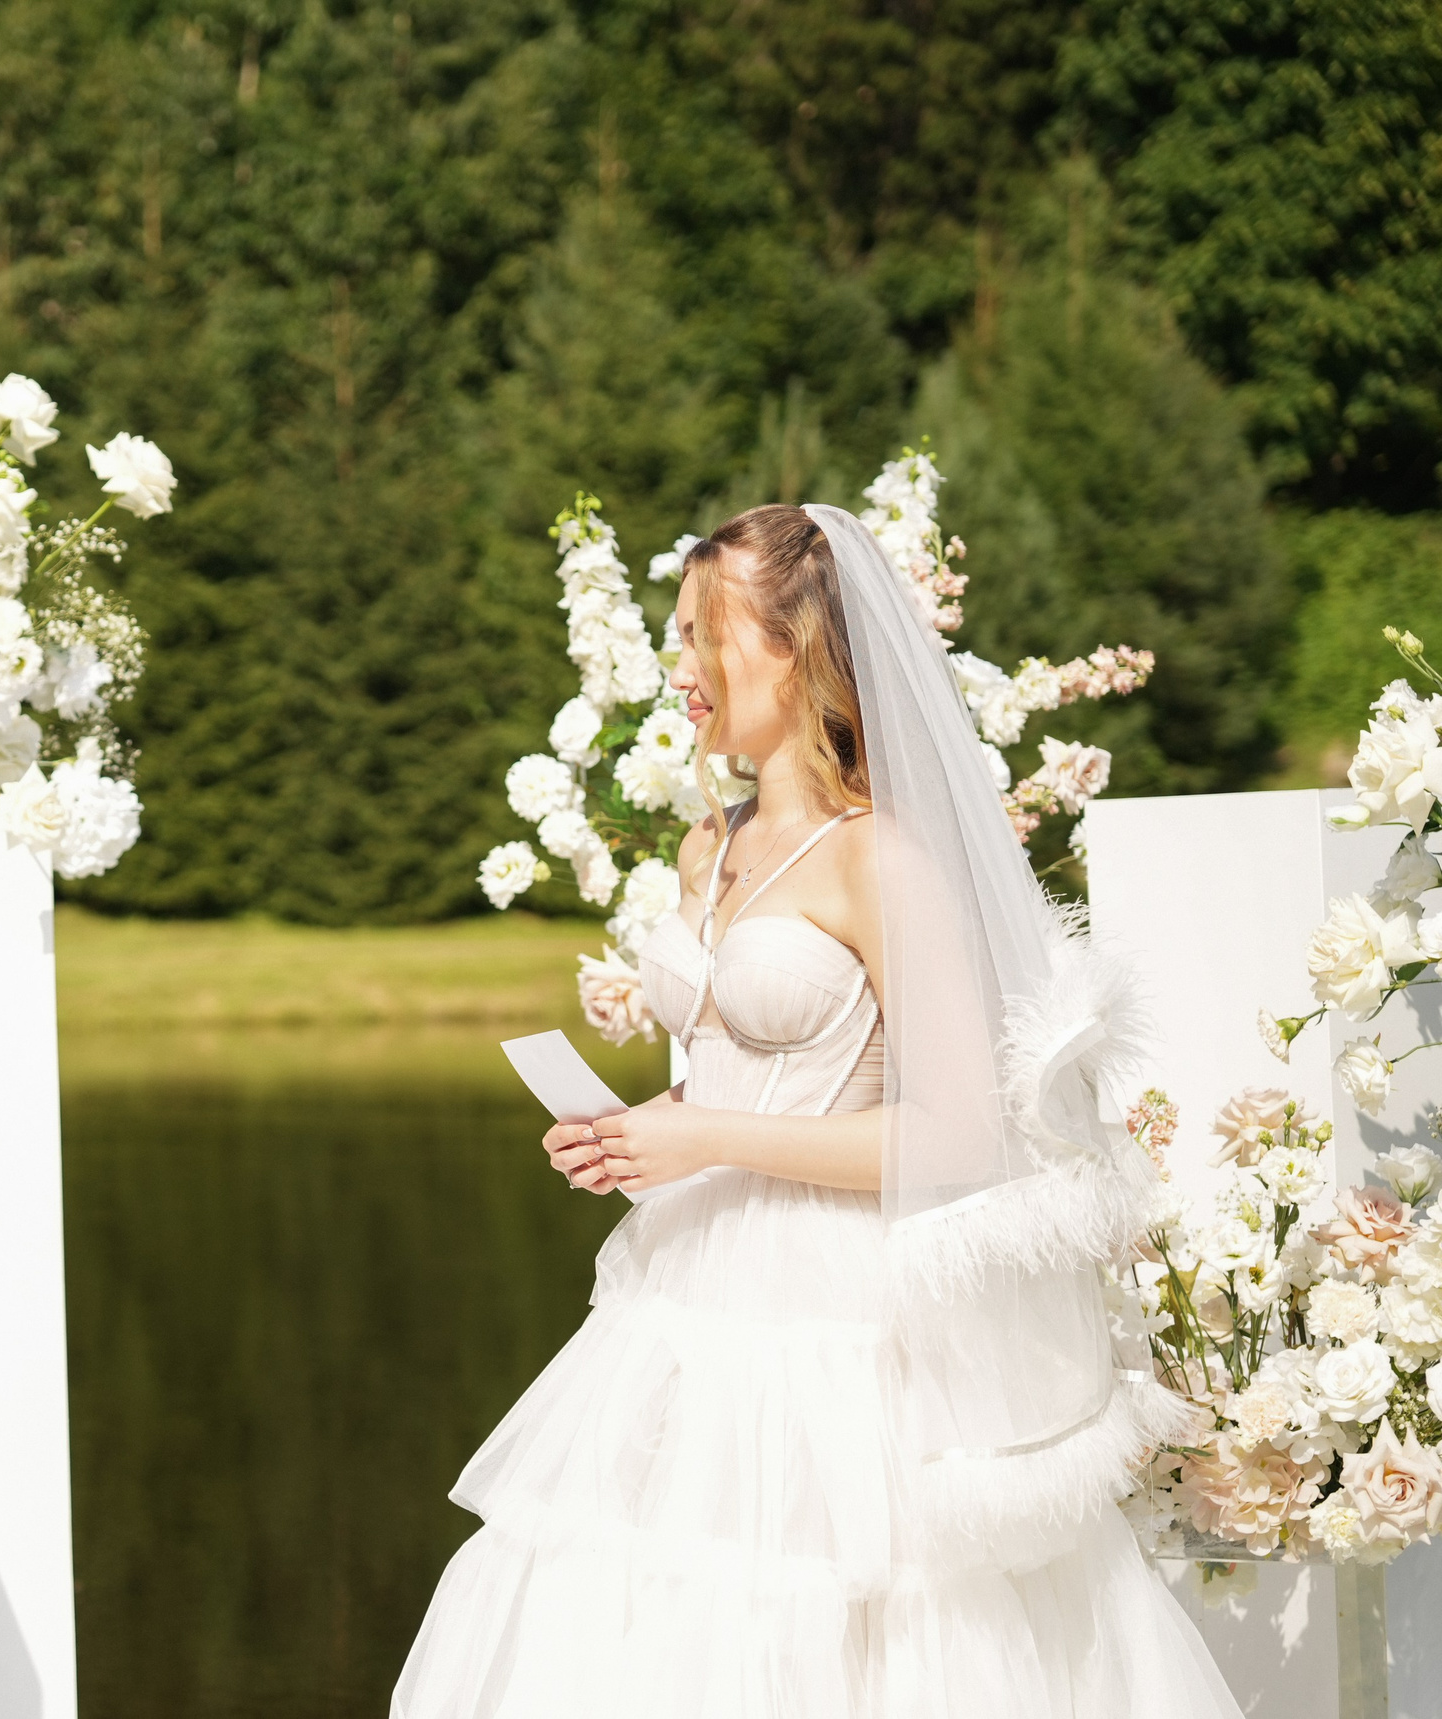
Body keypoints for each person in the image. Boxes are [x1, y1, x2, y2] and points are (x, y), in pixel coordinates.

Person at [392, 504, 1238, 1716]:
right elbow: (730, 1071)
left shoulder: (879, 858)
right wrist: (641, 1133)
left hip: (836, 1322)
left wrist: (706, 1138)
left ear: (795, 647)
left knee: (844, 1626)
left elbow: (956, 1130)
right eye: (673, 636)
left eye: (701, 635)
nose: (675, 667)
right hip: (680, 1299)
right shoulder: (713, 847)